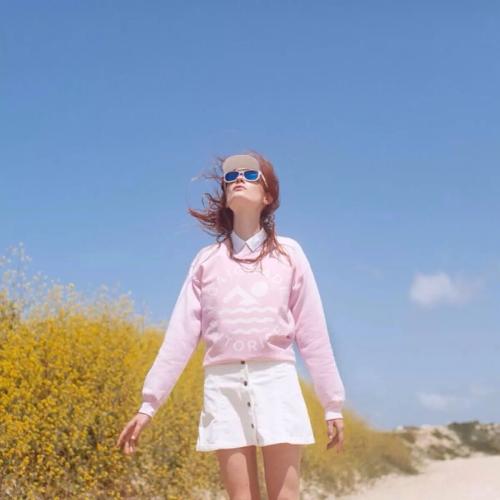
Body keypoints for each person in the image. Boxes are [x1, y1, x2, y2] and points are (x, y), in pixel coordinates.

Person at [116, 151, 346, 499]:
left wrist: (332, 403)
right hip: (222, 387)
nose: (239, 178)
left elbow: (313, 333)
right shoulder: (206, 261)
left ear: (268, 195)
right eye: (231, 176)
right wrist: (149, 404)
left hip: (275, 381)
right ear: (225, 196)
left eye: (251, 175)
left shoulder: (289, 254)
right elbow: (179, 337)